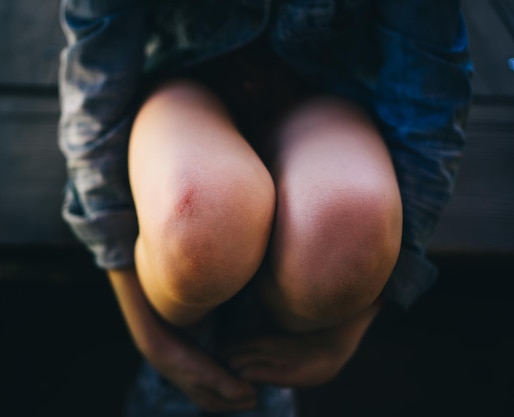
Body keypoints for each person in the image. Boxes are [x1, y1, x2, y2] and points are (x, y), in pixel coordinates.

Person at [58, 0, 473, 415]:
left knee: (346, 240)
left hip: (326, 98)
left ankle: (223, 355)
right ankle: (205, 350)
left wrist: (345, 333)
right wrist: (150, 336)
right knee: (196, 226)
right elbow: (94, 96)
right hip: (186, 85)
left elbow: (429, 103)